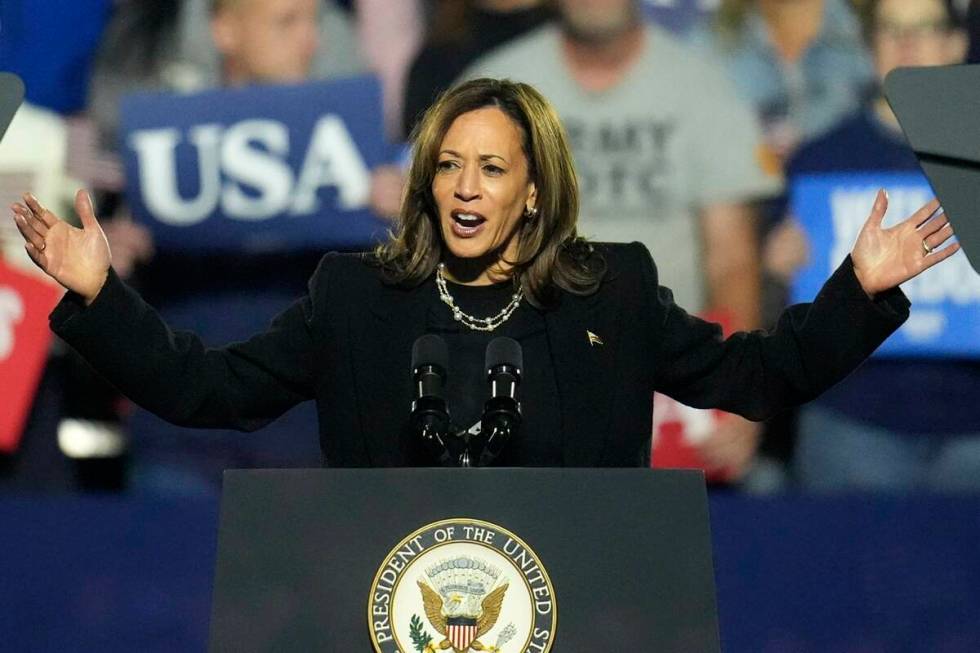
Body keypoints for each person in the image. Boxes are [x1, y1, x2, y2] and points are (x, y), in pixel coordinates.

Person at [10, 78, 958, 468]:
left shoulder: (613, 290)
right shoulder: (355, 295)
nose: (465, 189)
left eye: (492, 168)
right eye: (449, 166)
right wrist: (99, 293)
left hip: (584, 614)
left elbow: (756, 377)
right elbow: (206, 386)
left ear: (536, 192)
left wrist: (858, 290)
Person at [460, 0, 780, 480]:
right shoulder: (494, 85)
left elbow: (733, 260)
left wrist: (736, 391)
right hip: (522, 374)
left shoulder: (704, 87)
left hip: (667, 383)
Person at [786, 0, 980, 493]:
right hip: (851, 419)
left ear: (958, 43)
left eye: (925, 29)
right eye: (891, 30)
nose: (907, 44)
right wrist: (777, 266)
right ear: (869, 47)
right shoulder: (818, 161)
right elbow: (786, 321)